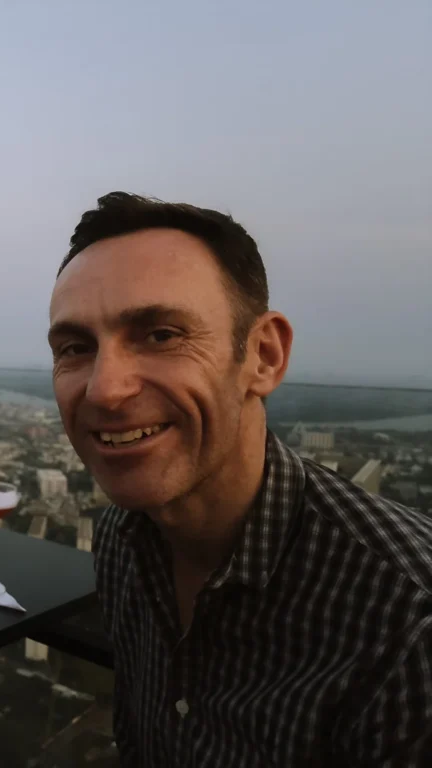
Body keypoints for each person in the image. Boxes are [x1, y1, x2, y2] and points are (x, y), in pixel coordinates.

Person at [48, 192, 432, 766]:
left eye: (161, 335)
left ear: (264, 357)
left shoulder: (405, 620)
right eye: (75, 348)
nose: (105, 390)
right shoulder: (120, 541)